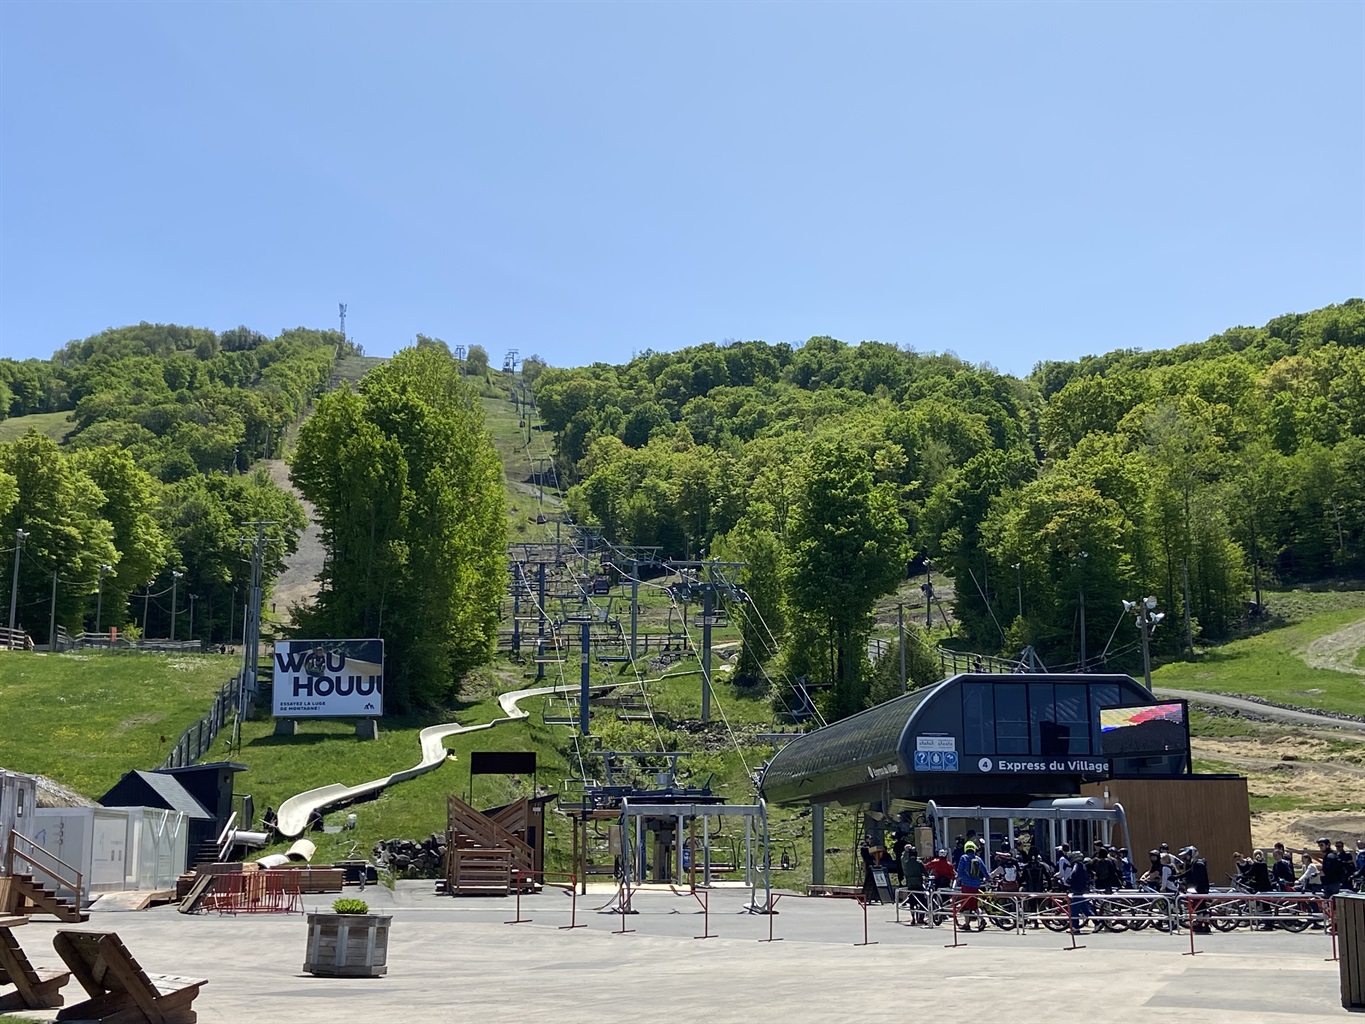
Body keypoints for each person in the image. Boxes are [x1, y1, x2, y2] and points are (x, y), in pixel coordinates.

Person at [955, 840, 990, 931]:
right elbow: (985, 871)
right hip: (976, 885)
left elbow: (959, 872)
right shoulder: (978, 859)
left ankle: (967, 924)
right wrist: (988, 878)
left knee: (966, 905)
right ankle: (982, 920)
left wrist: (958, 878)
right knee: (974, 905)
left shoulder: (963, 858)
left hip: (966, 885)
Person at [900, 846, 928, 923]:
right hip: (918, 884)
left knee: (912, 902)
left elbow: (902, 859)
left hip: (910, 885)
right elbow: (925, 872)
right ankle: (921, 918)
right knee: (922, 901)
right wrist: (926, 876)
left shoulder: (906, 863)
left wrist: (905, 852)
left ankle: (913, 918)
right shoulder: (919, 863)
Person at [1068, 856, 1094, 932]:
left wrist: (1069, 880)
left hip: (1077, 888)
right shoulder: (1082, 865)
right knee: (1085, 909)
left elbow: (1073, 873)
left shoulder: (1076, 865)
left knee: (1074, 909)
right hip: (1082, 888)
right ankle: (1097, 922)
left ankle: (1075, 927)